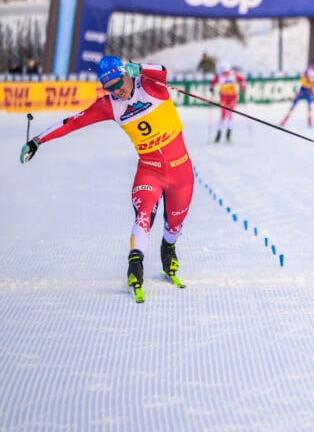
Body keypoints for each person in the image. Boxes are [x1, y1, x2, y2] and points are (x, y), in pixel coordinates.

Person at [19, 55, 193, 299]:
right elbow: (72, 122)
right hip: (149, 170)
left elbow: (162, 71)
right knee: (144, 213)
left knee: (174, 224)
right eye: (109, 88)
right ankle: (135, 263)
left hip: (180, 171)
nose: (117, 92)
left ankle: (169, 248)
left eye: (118, 84)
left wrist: (139, 68)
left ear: (126, 74)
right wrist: (38, 140)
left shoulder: (151, 86)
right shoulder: (109, 105)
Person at [208, 60, 246, 143]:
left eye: (227, 72)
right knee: (223, 115)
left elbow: (243, 79)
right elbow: (212, 83)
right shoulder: (219, 77)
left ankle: (229, 133)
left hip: (233, 97)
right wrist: (211, 87)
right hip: (223, 98)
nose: (226, 73)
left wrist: (243, 85)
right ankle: (218, 133)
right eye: (224, 72)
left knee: (230, 114)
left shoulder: (233, 75)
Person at [281, 61, 314, 127]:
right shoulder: (307, 72)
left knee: (309, 107)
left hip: (309, 91)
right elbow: (304, 81)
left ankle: (309, 120)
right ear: (312, 66)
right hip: (303, 90)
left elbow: (312, 81)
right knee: (294, 105)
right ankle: (285, 119)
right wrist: (311, 84)